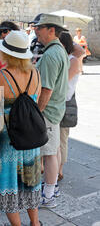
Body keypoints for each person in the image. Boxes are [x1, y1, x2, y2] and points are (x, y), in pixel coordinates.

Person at [0, 30, 42, 226]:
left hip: (7, 139)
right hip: (31, 137)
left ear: (6, 54)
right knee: (30, 180)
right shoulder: (36, 74)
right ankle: (35, 224)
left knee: (9, 182)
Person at [34, 14, 69, 208]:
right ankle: (51, 188)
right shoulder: (58, 50)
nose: (36, 31)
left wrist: (37, 113)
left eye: (40, 28)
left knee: (48, 154)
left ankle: (48, 195)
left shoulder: (51, 54)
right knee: (53, 151)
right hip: (55, 110)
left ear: (52, 30)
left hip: (47, 112)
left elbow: (46, 90)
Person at [58, 32, 81, 182]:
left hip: (65, 102)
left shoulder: (72, 60)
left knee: (62, 139)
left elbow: (63, 81)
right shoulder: (64, 58)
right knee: (55, 138)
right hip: (58, 101)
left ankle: (59, 169)